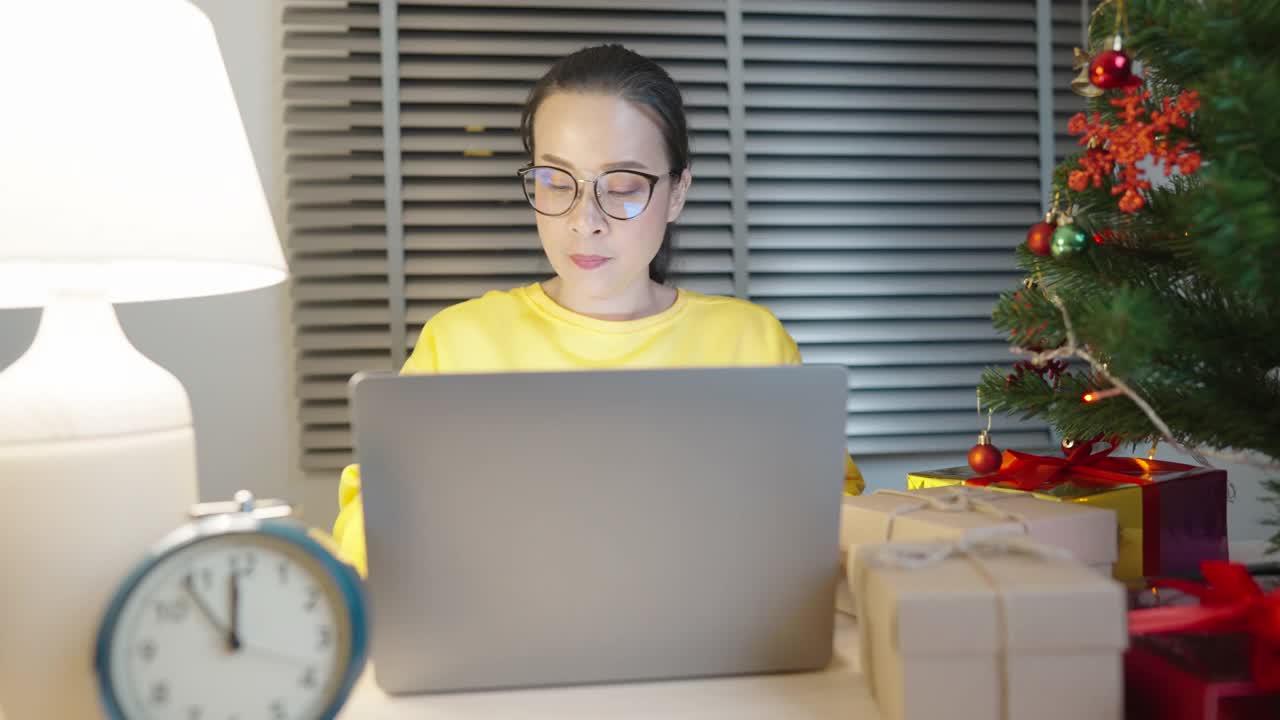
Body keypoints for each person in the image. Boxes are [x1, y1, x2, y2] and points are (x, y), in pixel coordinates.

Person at [332, 44, 864, 576]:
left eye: (624, 187)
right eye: (556, 182)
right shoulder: (459, 343)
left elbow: (838, 522)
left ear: (678, 193)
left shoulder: (752, 343)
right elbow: (364, 534)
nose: (585, 221)